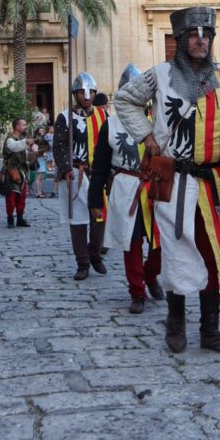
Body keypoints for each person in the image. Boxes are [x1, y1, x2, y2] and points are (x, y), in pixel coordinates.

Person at [115, 6, 220, 354]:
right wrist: (146, 136)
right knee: (175, 250)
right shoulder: (159, 76)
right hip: (172, 179)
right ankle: (175, 323)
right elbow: (125, 100)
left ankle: (210, 330)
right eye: (194, 35)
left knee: (213, 252)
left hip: (212, 182)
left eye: (207, 34)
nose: (201, 41)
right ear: (181, 39)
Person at [88, 64, 164, 314]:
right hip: (125, 188)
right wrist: (95, 199)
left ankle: (150, 275)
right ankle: (137, 291)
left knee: (160, 242)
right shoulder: (110, 125)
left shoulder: (157, 121)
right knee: (131, 244)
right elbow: (100, 165)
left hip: (154, 187)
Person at [53, 72, 108, 281]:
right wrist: (66, 168)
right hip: (75, 173)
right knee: (78, 221)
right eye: (82, 92)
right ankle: (82, 263)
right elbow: (59, 146)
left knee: (99, 217)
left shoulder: (103, 116)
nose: (86, 96)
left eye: (90, 92)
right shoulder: (65, 117)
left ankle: (95, 254)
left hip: (98, 174)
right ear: (75, 94)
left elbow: (109, 143)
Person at [2, 118, 34, 228]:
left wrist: (35, 154)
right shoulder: (9, 140)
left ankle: (20, 219)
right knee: (11, 196)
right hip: (12, 173)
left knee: (22, 196)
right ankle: (10, 218)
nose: (25, 127)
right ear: (17, 126)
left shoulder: (21, 139)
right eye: (23, 125)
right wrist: (26, 142)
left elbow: (25, 155)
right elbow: (14, 147)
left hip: (22, 173)